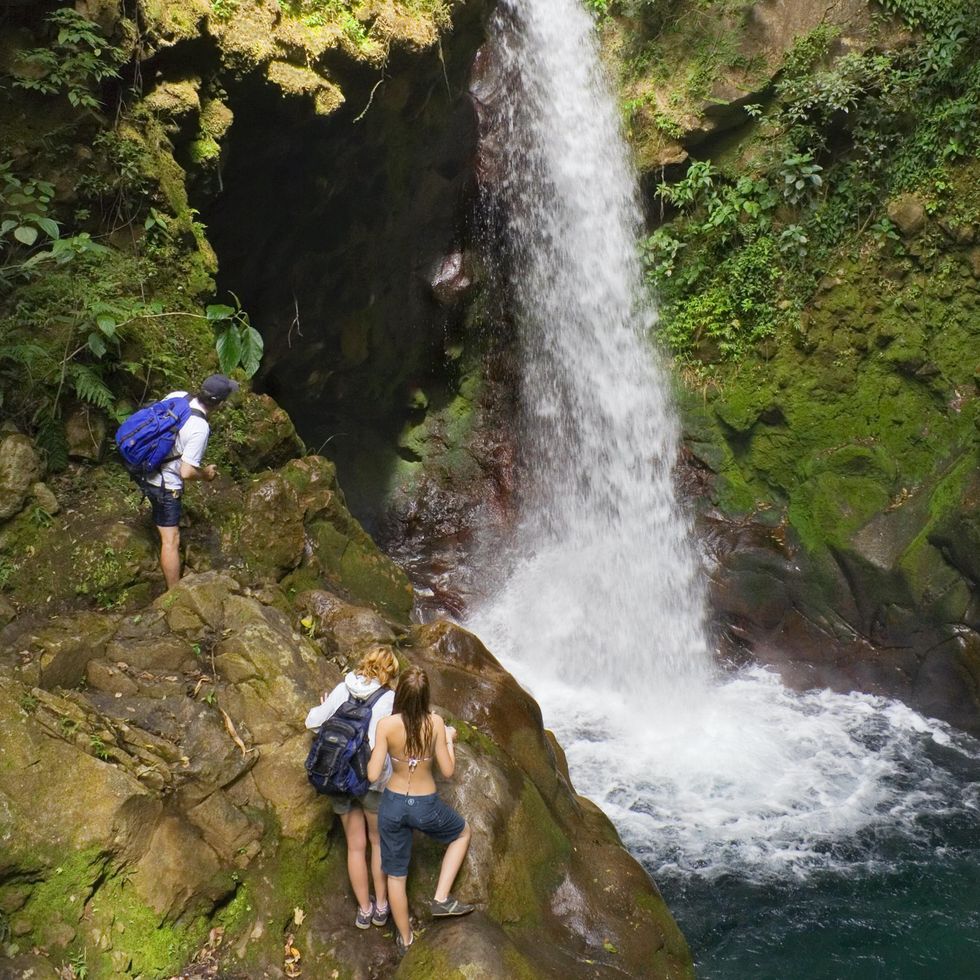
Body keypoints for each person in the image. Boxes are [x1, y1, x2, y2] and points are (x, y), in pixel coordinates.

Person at [368, 665, 473, 957]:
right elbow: (448, 771)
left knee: (395, 877)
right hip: (425, 806)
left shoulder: (386, 726)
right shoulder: (436, 723)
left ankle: (406, 940)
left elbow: (374, 774)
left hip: (392, 805)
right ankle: (441, 897)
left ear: (399, 694)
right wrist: (449, 739)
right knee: (462, 833)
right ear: (426, 696)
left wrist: (379, 751)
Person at [305, 646, 400, 929]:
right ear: (390, 673)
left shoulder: (342, 687)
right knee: (377, 842)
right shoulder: (388, 698)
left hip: (336, 777)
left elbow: (312, 723)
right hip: (370, 781)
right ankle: (382, 908)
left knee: (355, 846)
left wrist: (325, 707)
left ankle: (364, 910)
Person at [141, 374, 238, 589]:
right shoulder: (200, 428)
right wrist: (205, 474)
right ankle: (174, 594)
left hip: (144, 467)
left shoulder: (178, 396)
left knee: (164, 523)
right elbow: (185, 472)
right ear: (219, 404)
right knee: (171, 540)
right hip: (164, 485)